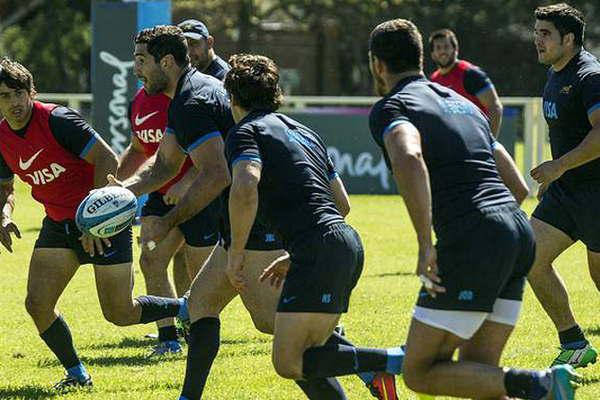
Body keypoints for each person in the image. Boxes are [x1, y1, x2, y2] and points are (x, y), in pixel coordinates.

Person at [368, 18, 579, 399]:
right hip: (517, 234)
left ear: (377, 65)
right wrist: (495, 230)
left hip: (475, 238)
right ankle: (538, 387)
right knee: (480, 375)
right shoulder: (464, 105)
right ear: (421, 57)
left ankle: (539, 383)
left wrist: (424, 243)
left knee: (419, 371)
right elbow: (516, 185)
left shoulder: (393, 107)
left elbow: (409, 156)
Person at [225, 53, 406, 400]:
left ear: (232, 96)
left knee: (289, 361)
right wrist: (300, 250)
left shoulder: (244, 132)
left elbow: (246, 186)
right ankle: (380, 365)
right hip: (343, 242)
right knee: (310, 355)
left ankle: (390, 360)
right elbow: (342, 204)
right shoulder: (303, 131)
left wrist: (236, 253)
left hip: (319, 248)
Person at [0, 58, 187, 390]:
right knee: (37, 304)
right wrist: (4, 214)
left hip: (103, 223)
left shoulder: (57, 120)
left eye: (18, 93)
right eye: (4, 96)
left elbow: (107, 158)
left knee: (120, 313)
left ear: (31, 92)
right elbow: (5, 187)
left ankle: (188, 309)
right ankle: (77, 374)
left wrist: (94, 218)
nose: (13, 103)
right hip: (58, 224)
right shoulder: (2, 137)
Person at [117, 20, 231, 357]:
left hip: (246, 197)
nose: (137, 69)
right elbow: (163, 164)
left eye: (141, 60)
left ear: (165, 62)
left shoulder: (193, 100)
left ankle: (332, 336)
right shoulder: (182, 96)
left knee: (259, 310)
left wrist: (171, 218)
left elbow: (215, 174)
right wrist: (122, 191)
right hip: (225, 195)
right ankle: (175, 339)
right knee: (159, 263)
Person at [529, 2, 599, 368]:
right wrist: (556, 177)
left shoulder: (589, 75)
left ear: (568, 39)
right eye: (536, 32)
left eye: (545, 34)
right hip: (567, 192)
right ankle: (573, 342)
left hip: (597, 193)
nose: (536, 40)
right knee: (530, 256)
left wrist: (558, 166)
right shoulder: (557, 73)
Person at [429, 28, 504, 137]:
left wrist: (490, 142)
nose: (442, 51)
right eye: (438, 48)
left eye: (446, 47)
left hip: (476, 141)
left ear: (455, 50)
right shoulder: (433, 81)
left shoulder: (471, 74)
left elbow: (495, 108)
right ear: (433, 54)